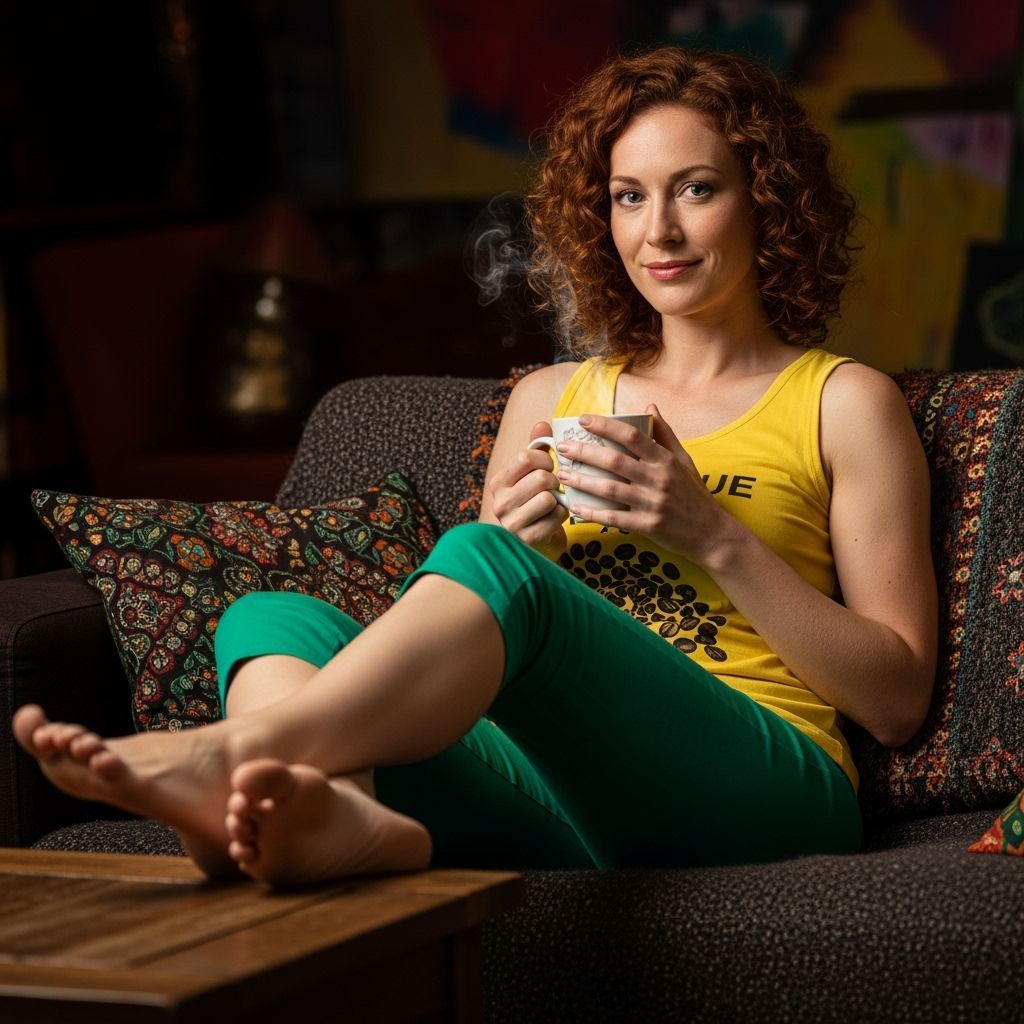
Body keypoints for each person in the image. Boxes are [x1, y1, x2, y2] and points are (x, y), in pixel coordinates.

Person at [14, 47, 937, 886]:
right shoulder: (547, 397)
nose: (658, 230)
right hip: (555, 798)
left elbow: (895, 700)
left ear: (765, 199)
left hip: (763, 783)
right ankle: (333, 818)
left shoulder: (842, 402)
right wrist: (513, 549)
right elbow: (483, 620)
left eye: (696, 189)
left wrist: (711, 533)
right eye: (627, 195)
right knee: (270, 617)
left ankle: (239, 753)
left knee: (489, 568)